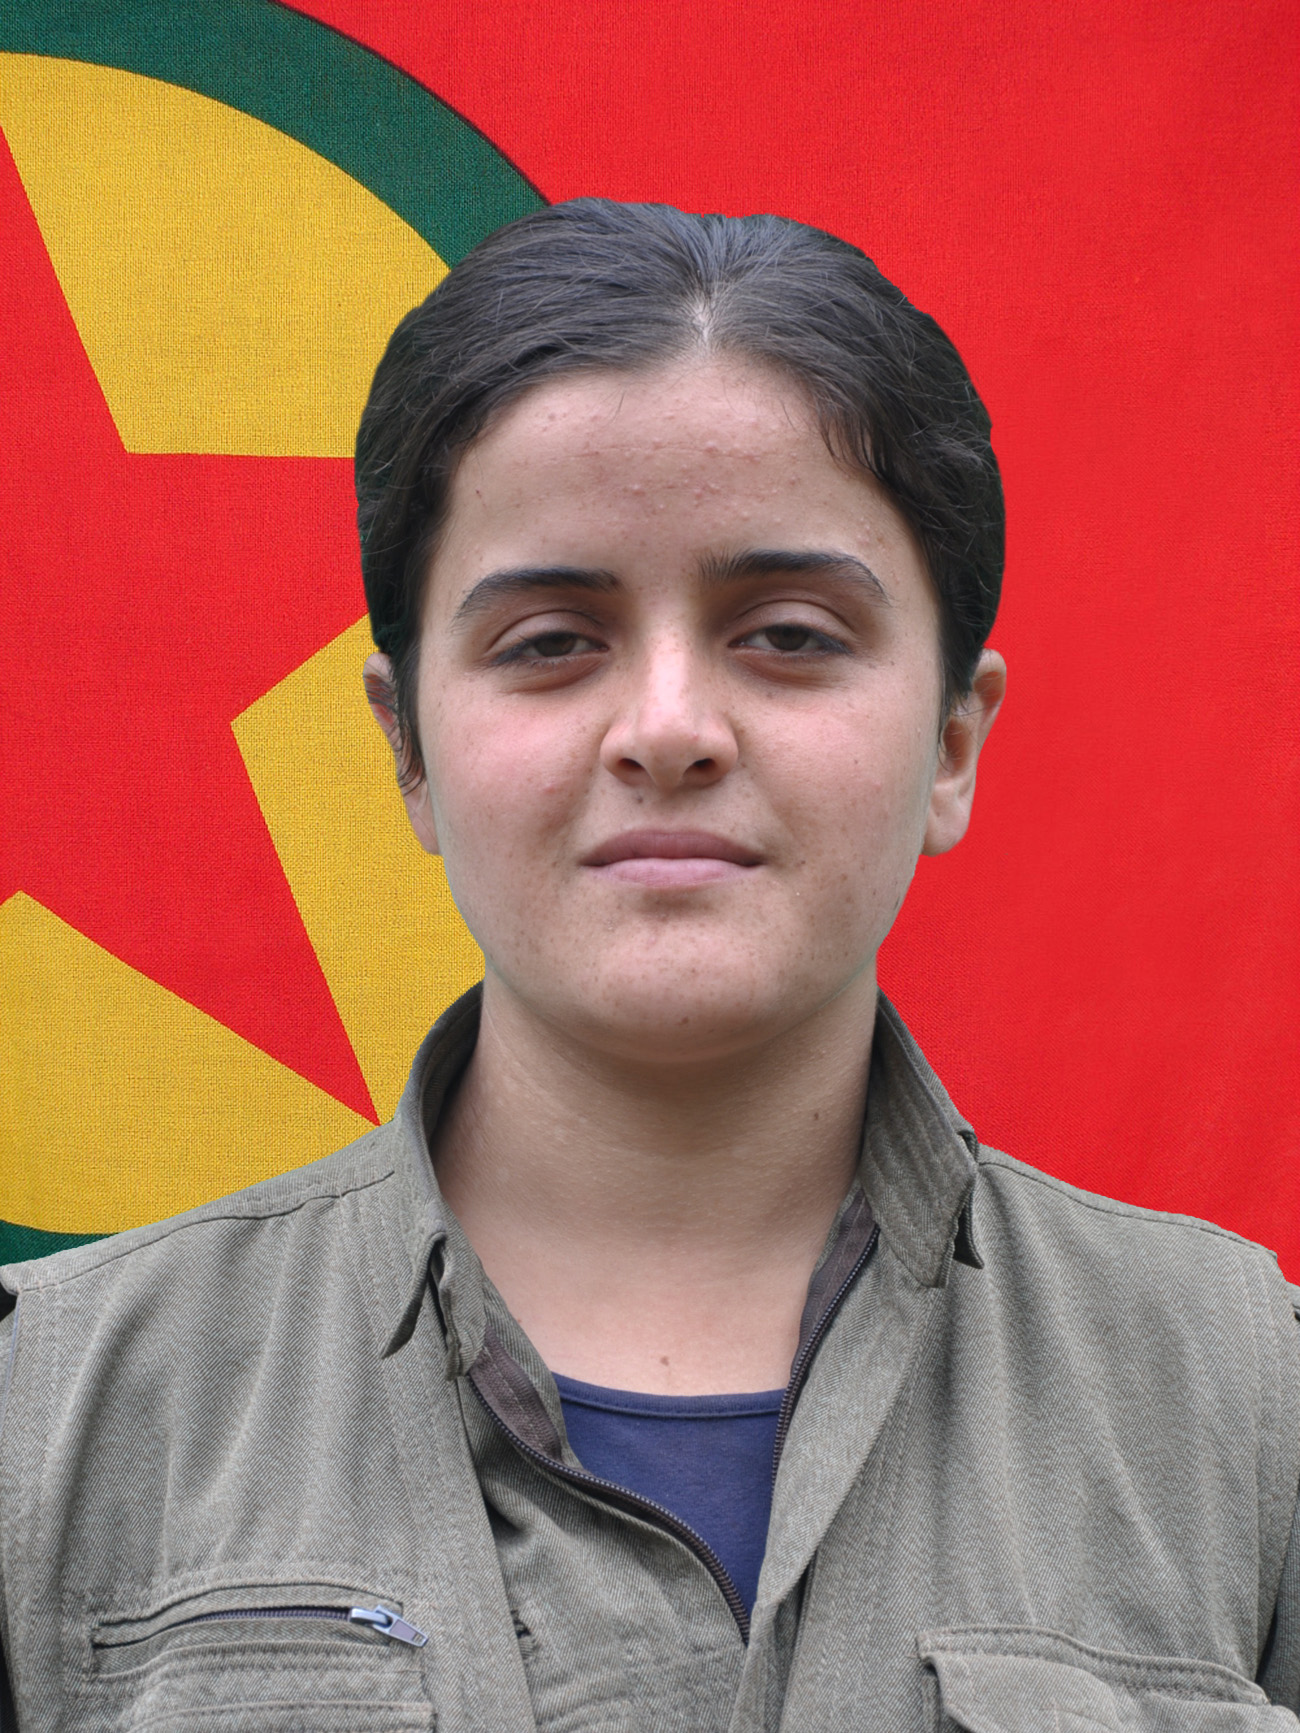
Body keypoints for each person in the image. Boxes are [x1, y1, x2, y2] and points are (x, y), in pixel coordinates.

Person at [1, 199, 1298, 1732]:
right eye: (552, 639)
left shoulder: (1243, 1401)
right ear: (408, 748)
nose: (668, 727)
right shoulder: (54, 1410)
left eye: (790, 634)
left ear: (955, 739)